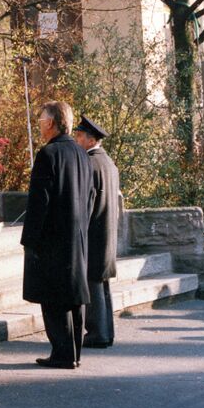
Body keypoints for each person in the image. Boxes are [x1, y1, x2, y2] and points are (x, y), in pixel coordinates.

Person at [21, 101, 94, 369]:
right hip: (77, 235)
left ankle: (62, 352)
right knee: (73, 294)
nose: (39, 124)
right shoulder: (82, 153)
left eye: (41, 120)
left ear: (51, 123)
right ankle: (74, 352)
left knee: (53, 296)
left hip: (52, 237)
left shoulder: (48, 154)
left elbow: (39, 202)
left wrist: (30, 240)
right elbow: (90, 196)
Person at [73, 115, 120, 349]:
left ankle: (97, 333)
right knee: (102, 283)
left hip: (94, 230)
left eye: (79, 137)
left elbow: (86, 202)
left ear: (90, 140)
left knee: (93, 282)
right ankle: (106, 331)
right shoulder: (108, 163)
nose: (77, 141)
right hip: (107, 228)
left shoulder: (89, 164)